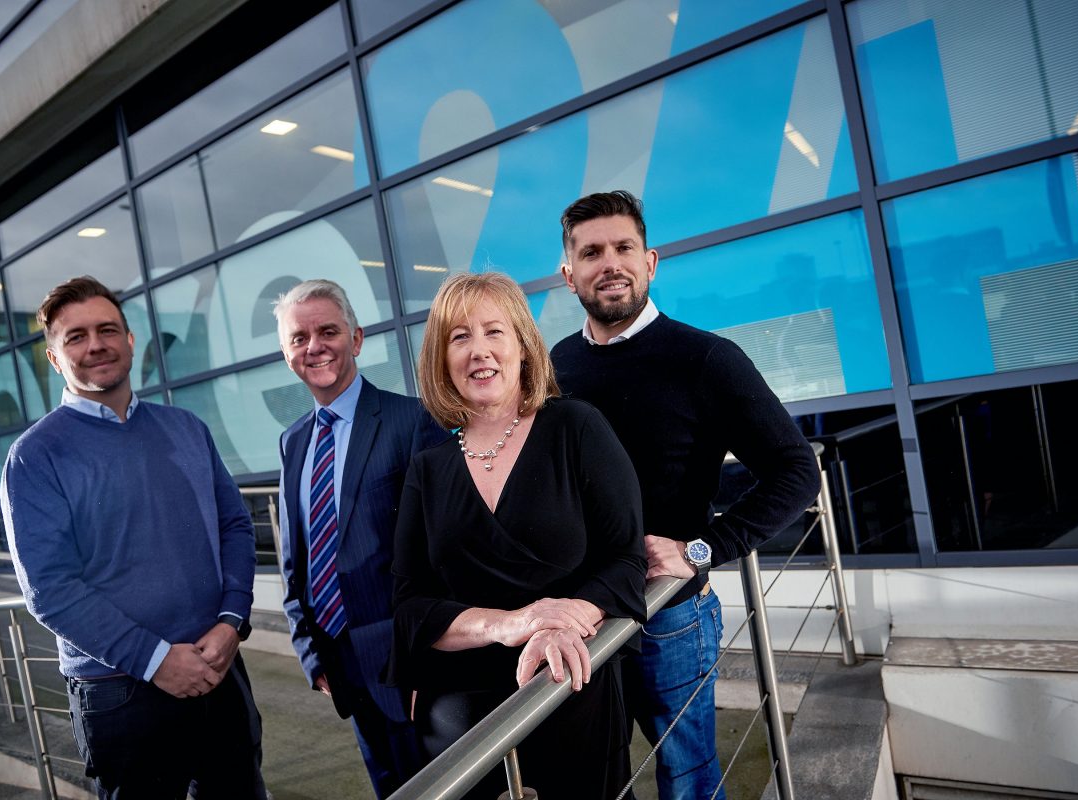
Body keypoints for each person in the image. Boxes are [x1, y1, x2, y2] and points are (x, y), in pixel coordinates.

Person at [550, 191, 821, 800]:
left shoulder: (707, 358)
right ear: (570, 276)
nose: (609, 262)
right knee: (599, 778)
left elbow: (796, 470)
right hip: (585, 617)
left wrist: (701, 550)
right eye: (591, 253)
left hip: (668, 615)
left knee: (688, 780)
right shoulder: (554, 367)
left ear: (651, 262)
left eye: (623, 247)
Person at [1, 276, 264, 799]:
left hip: (220, 669)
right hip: (120, 694)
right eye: (75, 337)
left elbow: (234, 525)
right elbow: (49, 588)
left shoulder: (186, 427)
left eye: (107, 329)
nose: (95, 344)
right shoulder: (36, 455)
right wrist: (155, 660)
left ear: (130, 340)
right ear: (54, 359)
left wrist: (234, 619)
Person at [388, 272, 647, 800]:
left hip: (568, 676)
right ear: (442, 359)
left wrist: (563, 623)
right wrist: (511, 624)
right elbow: (411, 604)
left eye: (493, 332)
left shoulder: (576, 427)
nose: (478, 351)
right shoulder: (426, 468)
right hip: (460, 712)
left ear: (524, 347)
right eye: (459, 337)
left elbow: (625, 558)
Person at [274, 279, 448, 798]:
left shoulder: (413, 420)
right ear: (286, 354)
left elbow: (440, 552)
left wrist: (428, 658)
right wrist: (311, 652)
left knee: (444, 787)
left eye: (328, 331)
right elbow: (294, 558)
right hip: (341, 664)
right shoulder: (293, 441)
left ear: (357, 338)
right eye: (299, 338)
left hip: (409, 664)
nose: (314, 346)